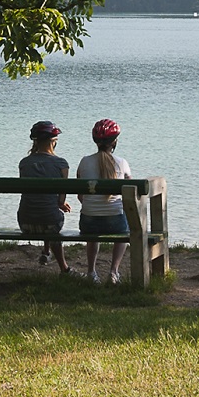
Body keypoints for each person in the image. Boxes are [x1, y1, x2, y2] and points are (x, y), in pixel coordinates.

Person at [77, 118, 131, 283]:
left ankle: (91, 272)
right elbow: (130, 196)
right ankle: (113, 272)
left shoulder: (85, 162)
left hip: (88, 222)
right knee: (125, 224)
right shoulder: (121, 163)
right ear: (114, 141)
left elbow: (80, 195)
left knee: (92, 228)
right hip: (115, 221)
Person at [18, 120, 72, 273]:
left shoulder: (24, 163)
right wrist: (61, 203)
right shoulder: (61, 164)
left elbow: (28, 191)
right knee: (52, 216)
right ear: (53, 141)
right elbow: (60, 200)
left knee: (45, 210)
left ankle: (46, 252)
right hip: (50, 224)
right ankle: (64, 268)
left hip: (25, 223)